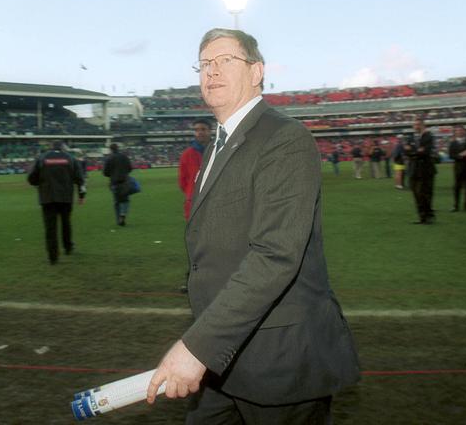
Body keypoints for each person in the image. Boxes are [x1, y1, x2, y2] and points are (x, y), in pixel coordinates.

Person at [147, 28, 359, 424]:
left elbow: (275, 256)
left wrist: (197, 348)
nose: (212, 71)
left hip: (279, 360)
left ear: (257, 71)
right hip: (225, 358)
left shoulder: (284, 138)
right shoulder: (215, 146)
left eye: (226, 60)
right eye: (205, 64)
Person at [28, 141, 86, 264]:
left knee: (50, 227)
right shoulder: (71, 159)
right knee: (66, 223)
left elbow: (31, 178)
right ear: (63, 148)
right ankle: (68, 247)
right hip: (65, 197)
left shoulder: (42, 158)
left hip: (47, 197)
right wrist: (81, 195)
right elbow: (80, 179)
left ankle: (53, 256)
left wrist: (39, 183)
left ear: (51, 147)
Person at [404, 118, 437, 224]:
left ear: (423, 125)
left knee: (424, 193)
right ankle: (423, 216)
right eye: (414, 124)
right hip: (414, 169)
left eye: (418, 124)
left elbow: (425, 152)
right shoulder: (411, 137)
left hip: (425, 169)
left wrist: (413, 152)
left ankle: (427, 216)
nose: (416, 126)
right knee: (416, 193)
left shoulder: (428, 136)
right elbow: (406, 151)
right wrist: (416, 152)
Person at [179, 118, 212, 221]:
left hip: (215, 200)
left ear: (210, 131)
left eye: (203, 129)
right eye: (197, 130)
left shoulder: (219, 150)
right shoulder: (187, 154)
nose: (200, 132)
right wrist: (192, 192)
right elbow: (182, 181)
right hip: (194, 201)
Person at [448, 126, 466, 212]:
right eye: (457, 130)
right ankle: (456, 206)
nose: (459, 132)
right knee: (457, 187)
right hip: (458, 168)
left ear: (465, 132)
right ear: (455, 132)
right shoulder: (453, 143)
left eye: (461, 130)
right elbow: (451, 155)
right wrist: (460, 156)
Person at [103, 143, 133, 226]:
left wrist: (112, 174)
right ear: (118, 148)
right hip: (124, 181)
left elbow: (105, 173)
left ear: (111, 149)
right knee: (126, 200)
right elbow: (130, 168)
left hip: (114, 182)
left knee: (117, 201)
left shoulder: (109, 158)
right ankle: (123, 215)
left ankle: (118, 219)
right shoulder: (124, 157)